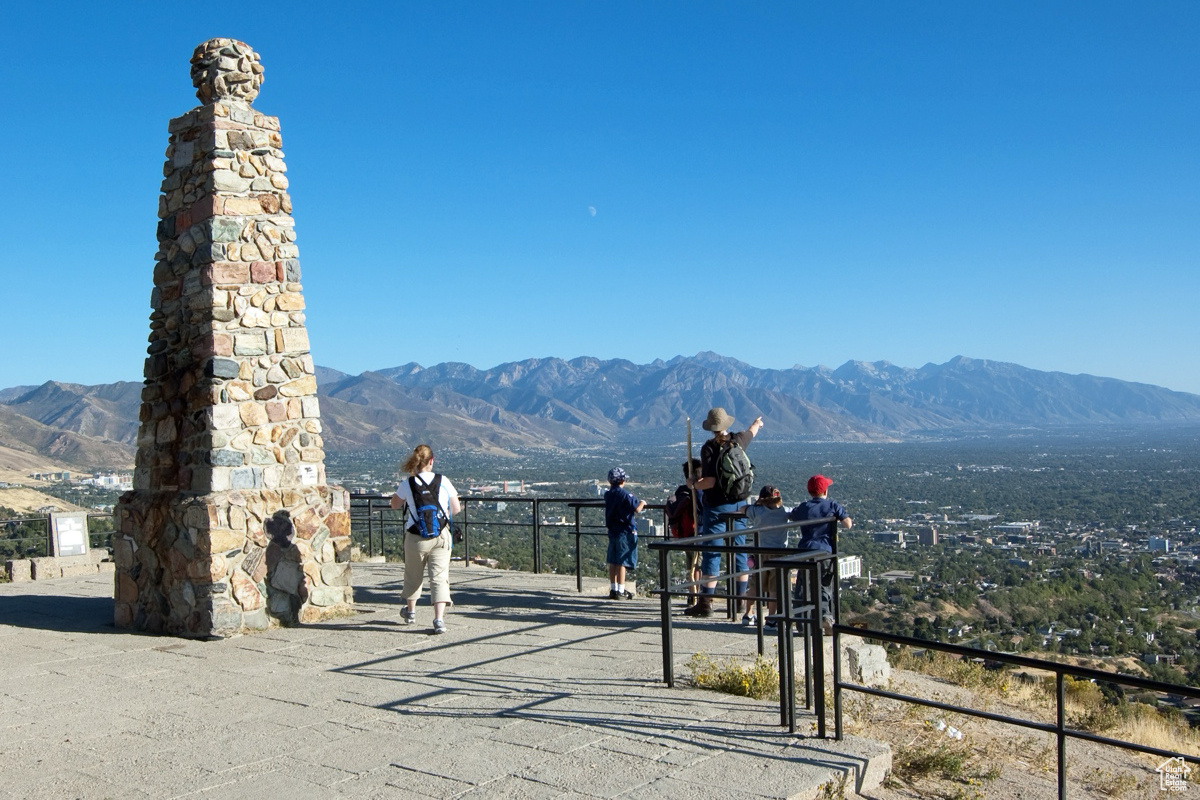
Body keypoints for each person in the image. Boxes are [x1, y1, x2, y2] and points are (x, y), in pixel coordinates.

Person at [684, 407, 763, 618]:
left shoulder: (709, 448)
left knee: (713, 552)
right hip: (740, 505)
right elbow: (752, 431)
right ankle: (738, 601)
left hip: (717, 508)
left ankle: (706, 602)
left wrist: (693, 484)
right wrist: (757, 423)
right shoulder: (738, 441)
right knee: (739, 551)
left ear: (711, 428)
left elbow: (709, 482)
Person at [390, 444, 462, 634]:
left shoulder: (408, 483)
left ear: (415, 461)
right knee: (439, 578)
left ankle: (411, 612)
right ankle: (438, 619)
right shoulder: (443, 480)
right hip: (441, 535)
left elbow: (395, 505)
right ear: (431, 461)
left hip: (415, 537)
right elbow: (456, 508)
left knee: (413, 575)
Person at [787, 474, 852, 635]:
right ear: (825, 490)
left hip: (805, 552)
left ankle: (802, 622)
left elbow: (791, 516)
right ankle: (825, 617)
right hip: (825, 552)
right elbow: (848, 524)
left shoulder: (804, 507)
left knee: (803, 587)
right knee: (824, 587)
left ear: (809, 491)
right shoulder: (832, 505)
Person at [743, 485, 791, 627]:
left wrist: (755, 505)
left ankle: (748, 614)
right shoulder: (785, 512)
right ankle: (771, 618)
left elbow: (743, 510)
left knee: (755, 585)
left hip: (760, 553)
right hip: (779, 554)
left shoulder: (757, 512)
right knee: (774, 589)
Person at [665, 458, 703, 608]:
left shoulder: (681, 490)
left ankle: (691, 593)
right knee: (698, 565)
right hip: (696, 531)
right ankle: (696, 595)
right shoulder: (699, 491)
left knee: (691, 565)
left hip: (684, 533)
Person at [604, 467, 646, 599]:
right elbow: (637, 509)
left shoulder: (608, 494)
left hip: (613, 530)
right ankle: (621, 590)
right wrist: (642, 503)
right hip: (625, 530)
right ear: (623, 480)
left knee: (613, 560)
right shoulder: (625, 495)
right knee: (623, 561)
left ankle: (613, 588)